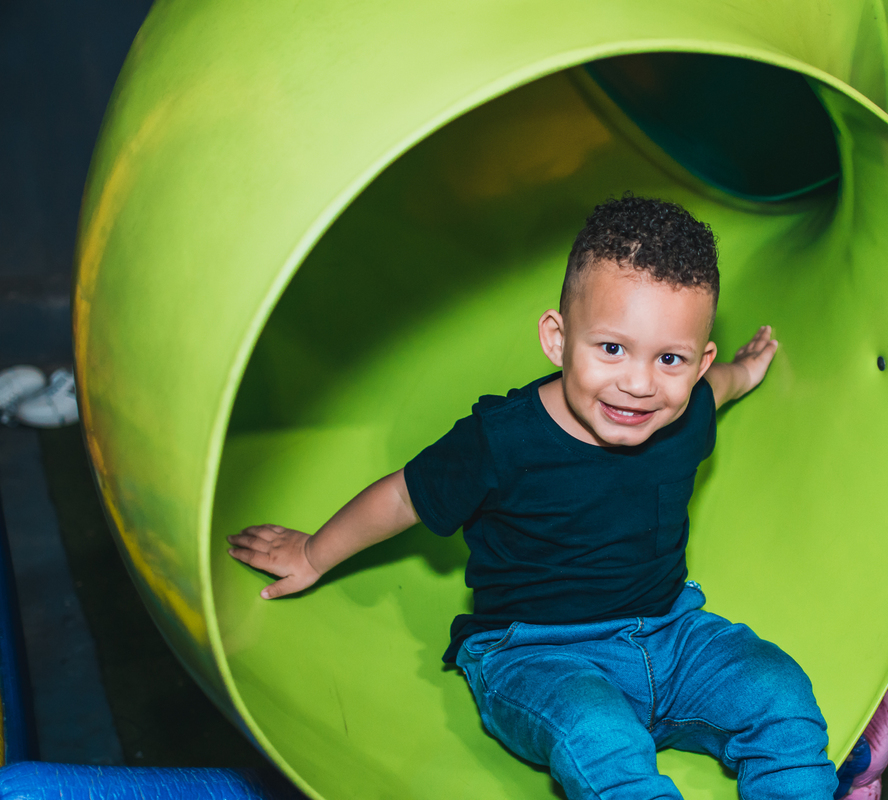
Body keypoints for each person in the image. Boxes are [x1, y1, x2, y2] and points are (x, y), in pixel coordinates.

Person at [227, 195, 838, 799]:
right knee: (602, 739)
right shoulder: (501, 439)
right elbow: (401, 498)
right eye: (612, 348)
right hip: (536, 653)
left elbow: (721, 387)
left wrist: (746, 369)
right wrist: (311, 553)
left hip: (672, 633)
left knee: (781, 693)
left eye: (670, 358)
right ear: (557, 339)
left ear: (697, 364)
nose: (639, 383)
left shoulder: (691, 406)